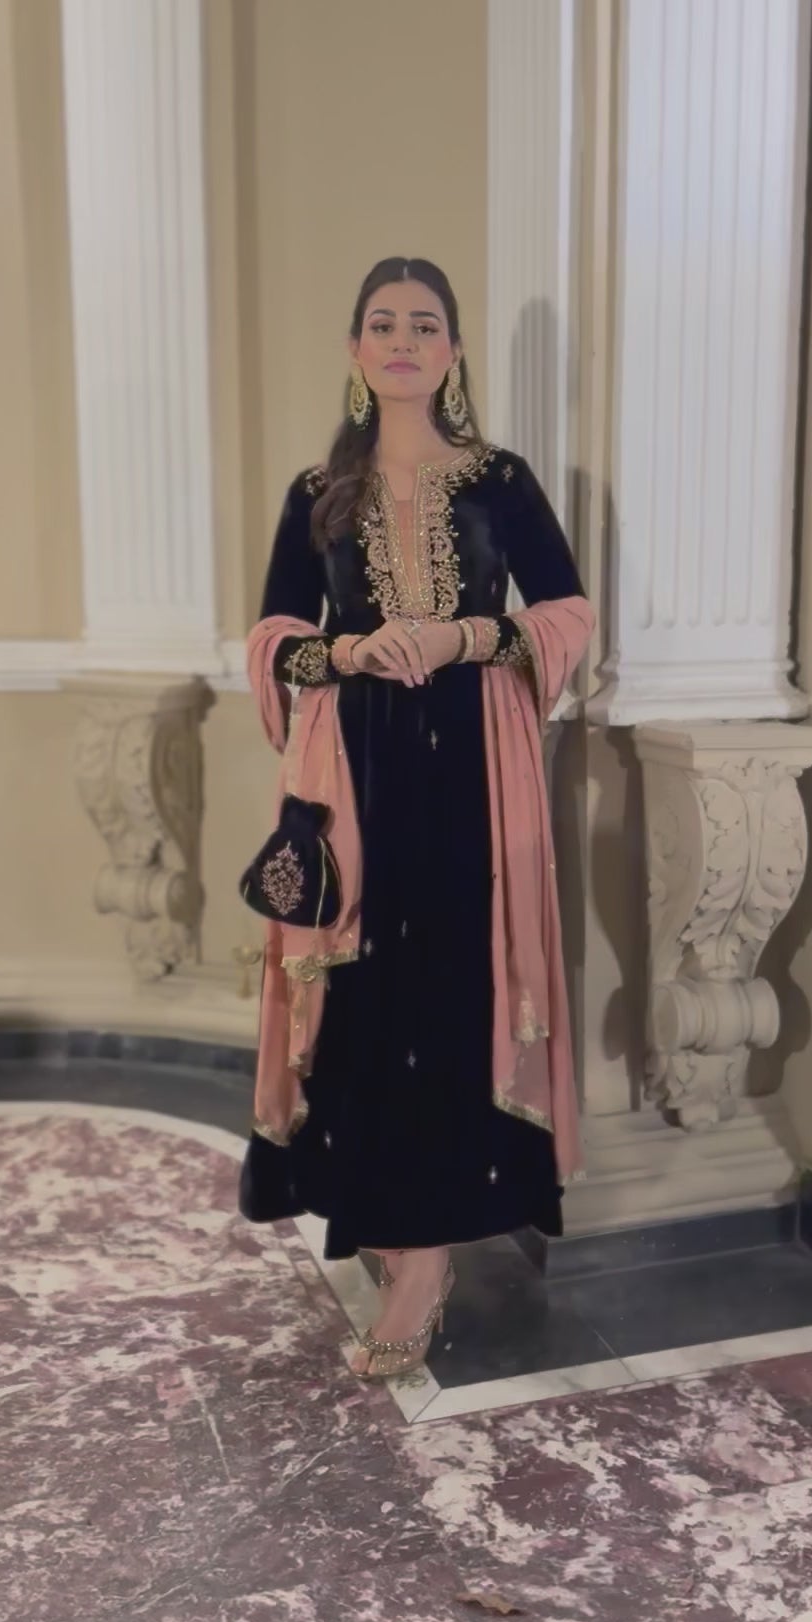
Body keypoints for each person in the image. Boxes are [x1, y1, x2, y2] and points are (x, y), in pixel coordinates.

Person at [240, 255, 593, 1380]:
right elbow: (274, 639)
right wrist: (346, 652)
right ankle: (387, 1222)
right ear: (356, 349)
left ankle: (427, 1260)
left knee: (451, 988)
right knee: (363, 995)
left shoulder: (498, 480)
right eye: (384, 324)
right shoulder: (319, 493)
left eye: (425, 325)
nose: (403, 341)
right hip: (355, 768)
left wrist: (462, 636)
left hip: (473, 768)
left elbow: (568, 612)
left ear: (452, 351)